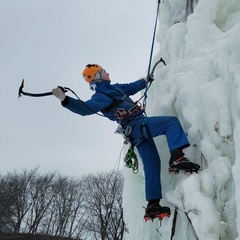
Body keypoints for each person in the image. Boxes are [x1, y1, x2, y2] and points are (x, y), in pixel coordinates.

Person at [52, 64, 200, 221]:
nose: (108, 73)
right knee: (170, 123)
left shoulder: (116, 88)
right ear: (97, 76)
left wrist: (145, 79)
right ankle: (177, 157)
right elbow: (84, 109)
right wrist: (65, 99)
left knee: (152, 164)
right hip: (135, 126)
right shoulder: (100, 97)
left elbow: (132, 87)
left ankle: (153, 205)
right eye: (104, 72)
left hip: (135, 132)